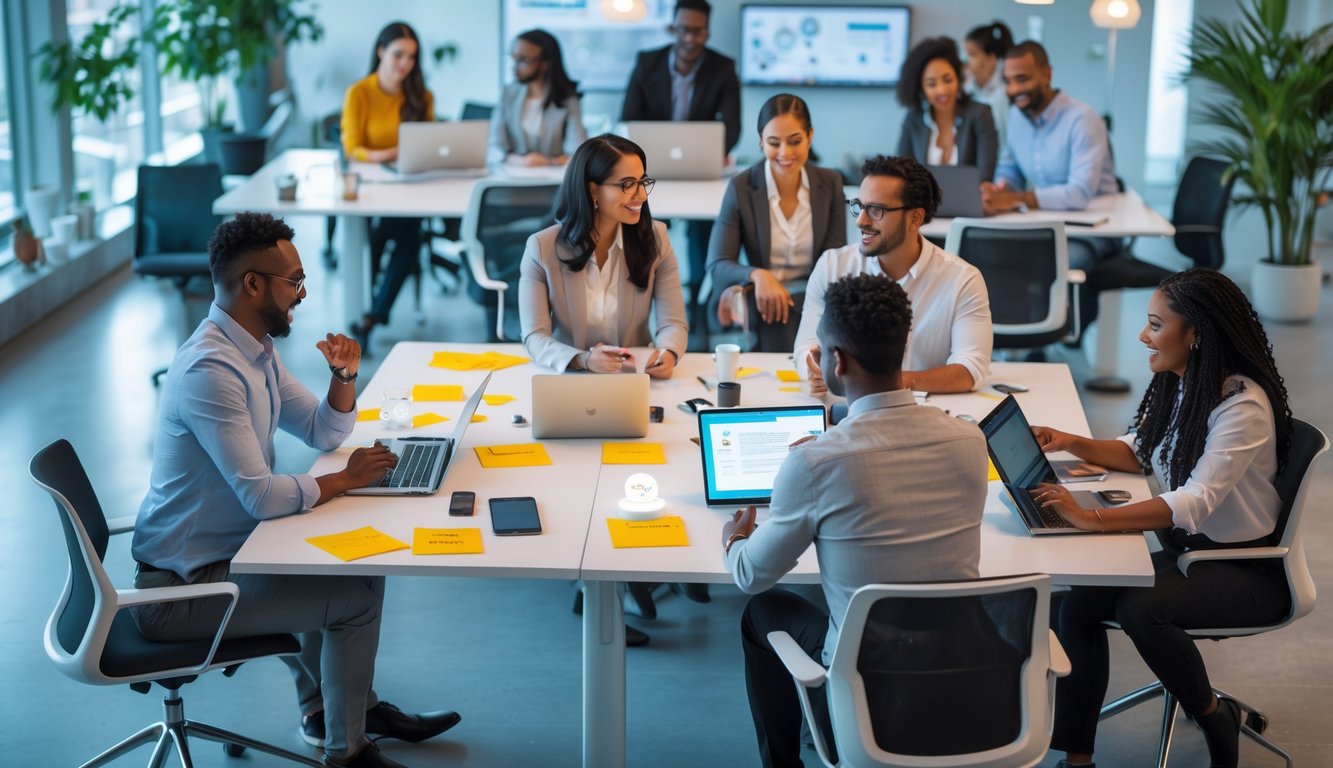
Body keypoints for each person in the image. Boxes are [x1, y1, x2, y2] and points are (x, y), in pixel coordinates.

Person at [130, 212, 461, 768]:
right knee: (354, 603)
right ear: (252, 284)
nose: (302, 294)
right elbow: (261, 497)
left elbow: (321, 430)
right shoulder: (211, 370)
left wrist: (343, 378)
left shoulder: (254, 349)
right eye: (295, 281)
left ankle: (338, 711)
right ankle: (347, 752)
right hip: (180, 592)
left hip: (229, 556)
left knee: (360, 566)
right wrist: (344, 480)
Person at [724, 272, 989, 768]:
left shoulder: (813, 464)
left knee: (763, 611)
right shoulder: (970, 440)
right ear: (900, 348)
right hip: (961, 678)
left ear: (837, 361)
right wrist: (829, 450)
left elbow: (750, 575)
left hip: (866, 699)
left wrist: (734, 539)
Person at [1031, 269, 1293, 768]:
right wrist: (1068, 441)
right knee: (1079, 603)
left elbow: (1195, 500)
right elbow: (1143, 449)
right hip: (1190, 551)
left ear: (1195, 334)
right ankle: (1077, 759)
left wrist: (1091, 519)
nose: (1142, 335)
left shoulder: (1242, 406)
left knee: (1142, 609)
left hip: (1244, 568)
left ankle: (1214, 714)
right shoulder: (1188, 383)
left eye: (1155, 325)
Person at [793, 155, 992, 394]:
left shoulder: (963, 279)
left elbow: (970, 370)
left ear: (915, 218)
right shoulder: (832, 266)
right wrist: (815, 369)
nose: (861, 221)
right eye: (859, 206)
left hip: (932, 410)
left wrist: (881, 384)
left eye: (876, 210)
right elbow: (805, 348)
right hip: (850, 409)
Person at [981, 41, 1121, 336]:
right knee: (991, 255)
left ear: (1046, 74)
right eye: (1008, 81)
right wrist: (1002, 188)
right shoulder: (1017, 117)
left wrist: (1018, 199)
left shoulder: (1083, 119)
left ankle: (1047, 339)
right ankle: (1014, 340)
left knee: (1050, 264)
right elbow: (1011, 167)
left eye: (1023, 79)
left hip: (1092, 229)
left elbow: (1079, 193)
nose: (1014, 89)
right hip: (1046, 222)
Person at [621, 0, 741, 345]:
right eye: (684, 30)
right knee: (642, 224)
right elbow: (629, 119)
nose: (690, 38)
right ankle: (642, 301)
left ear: (707, 32)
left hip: (700, 172)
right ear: (672, 29)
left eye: (698, 31)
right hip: (650, 171)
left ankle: (699, 306)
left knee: (705, 228)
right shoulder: (647, 62)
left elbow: (732, 127)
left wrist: (714, 151)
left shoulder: (722, 68)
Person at [518, 133, 687, 377]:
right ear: (593, 190)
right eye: (627, 184)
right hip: (569, 375)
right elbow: (534, 336)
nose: (641, 195)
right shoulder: (541, 248)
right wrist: (583, 360)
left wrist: (668, 353)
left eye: (643, 182)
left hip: (632, 376)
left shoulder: (656, 238)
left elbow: (673, 322)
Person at [707, 93, 847, 352]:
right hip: (760, 294)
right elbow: (718, 265)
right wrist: (759, 275)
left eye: (795, 141)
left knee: (790, 313)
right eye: (774, 142)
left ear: (810, 137)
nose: (785, 153)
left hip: (812, 292)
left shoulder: (830, 183)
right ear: (761, 141)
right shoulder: (741, 187)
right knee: (776, 314)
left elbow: (835, 259)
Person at [342, 22, 435, 353]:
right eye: (398, 54)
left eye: (412, 56)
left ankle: (372, 316)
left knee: (405, 232)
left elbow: (429, 143)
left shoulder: (421, 96)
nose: (405, 63)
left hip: (409, 185)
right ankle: (372, 314)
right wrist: (392, 153)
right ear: (381, 51)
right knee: (396, 234)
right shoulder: (359, 92)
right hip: (373, 185)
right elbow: (352, 147)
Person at [896, 36, 998, 181]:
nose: (942, 90)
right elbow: (902, 174)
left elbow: (985, 177)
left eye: (948, 80)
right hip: (923, 197)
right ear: (921, 88)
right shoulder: (913, 119)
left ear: (958, 78)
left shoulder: (981, 115)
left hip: (968, 196)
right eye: (931, 84)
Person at [488, 29, 587, 167]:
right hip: (513, 171)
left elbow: (578, 149)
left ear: (545, 64)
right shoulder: (508, 93)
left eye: (523, 60)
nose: (514, 66)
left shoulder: (568, 98)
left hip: (555, 174)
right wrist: (520, 161)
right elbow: (494, 146)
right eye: (514, 58)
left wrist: (549, 162)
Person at [963, 21, 1015, 148]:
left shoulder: (1004, 93)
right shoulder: (968, 88)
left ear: (991, 59)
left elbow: (1004, 143)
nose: (966, 60)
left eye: (972, 55)